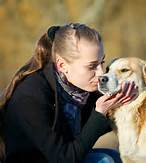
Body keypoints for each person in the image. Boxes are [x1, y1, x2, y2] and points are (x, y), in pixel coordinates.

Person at [0, 23, 135, 163]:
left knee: (115, 157)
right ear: (62, 65)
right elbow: (65, 158)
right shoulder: (30, 97)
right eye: (92, 66)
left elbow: (99, 126)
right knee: (105, 161)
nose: (101, 72)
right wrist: (100, 113)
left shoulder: (80, 86)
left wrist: (125, 102)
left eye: (102, 62)